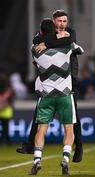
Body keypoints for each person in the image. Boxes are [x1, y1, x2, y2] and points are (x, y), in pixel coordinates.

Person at [16, 9, 83, 163]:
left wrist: (46, 42)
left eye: (64, 21)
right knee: (38, 115)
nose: (62, 24)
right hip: (48, 81)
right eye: (59, 21)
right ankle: (30, 144)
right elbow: (34, 42)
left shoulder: (70, 32)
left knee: (74, 118)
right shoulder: (44, 35)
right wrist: (52, 39)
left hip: (69, 77)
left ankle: (79, 148)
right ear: (53, 22)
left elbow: (67, 42)